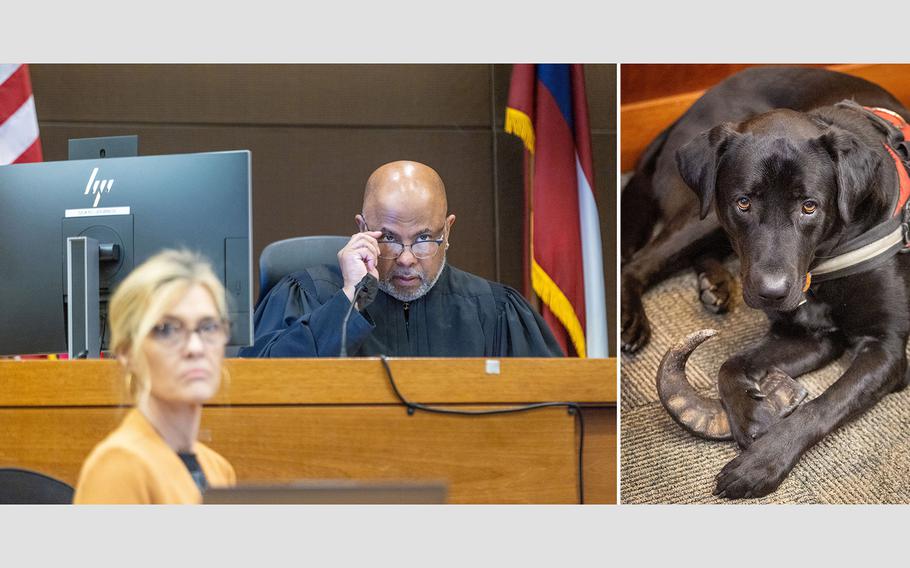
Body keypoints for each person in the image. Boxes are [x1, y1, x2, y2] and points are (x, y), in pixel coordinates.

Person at [240, 160, 563, 357]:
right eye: (390, 239)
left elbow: (556, 407)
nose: (407, 259)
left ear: (447, 231)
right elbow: (256, 385)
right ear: (363, 229)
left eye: (424, 239)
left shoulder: (495, 311)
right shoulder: (308, 293)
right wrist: (348, 300)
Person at [74, 250, 236, 504]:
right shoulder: (119, 466)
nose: (195, 347)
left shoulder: (218, 469)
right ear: (127, 352)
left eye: (208, 327)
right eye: (167, 329)